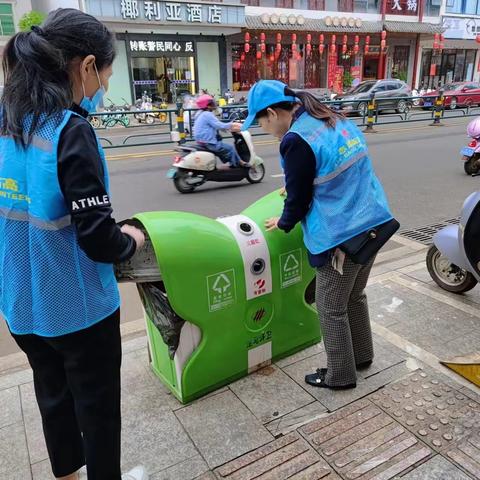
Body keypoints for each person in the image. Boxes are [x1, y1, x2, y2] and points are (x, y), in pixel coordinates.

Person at [0, 9, 148, 480]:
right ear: (86, 67)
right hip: (78, 311)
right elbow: (99, 239)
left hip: (22, 305)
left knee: (53, 398)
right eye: (105, 73)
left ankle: (66, 475)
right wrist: (131, 238)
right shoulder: (70, 131)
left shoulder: (5, 122)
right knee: (98, 413)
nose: (104, 86)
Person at [243, 80, 395, 390]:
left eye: (260, 121)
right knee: (354, 295)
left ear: (272, 113)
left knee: (330, 306)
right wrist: (300, 183)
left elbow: (298, 202)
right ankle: (362, 356)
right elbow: (332, 169)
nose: (263, 128)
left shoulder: (295, 140)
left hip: (342, 237)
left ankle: (339, 375)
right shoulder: (331, 117)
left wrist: (282, 222)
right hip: (374, 221)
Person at [193, 94, 245, 167]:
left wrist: (226, 128)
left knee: (223, 146)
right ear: (207, 106)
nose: (214, 105)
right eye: (212, 103)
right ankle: (235, 165)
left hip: (202, 141)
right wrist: (233, 124)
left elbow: (215, 125)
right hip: (209, 142)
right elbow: (219, 125)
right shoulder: (207, 114)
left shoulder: (199, 114)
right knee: (231, 148)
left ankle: (238, 161)